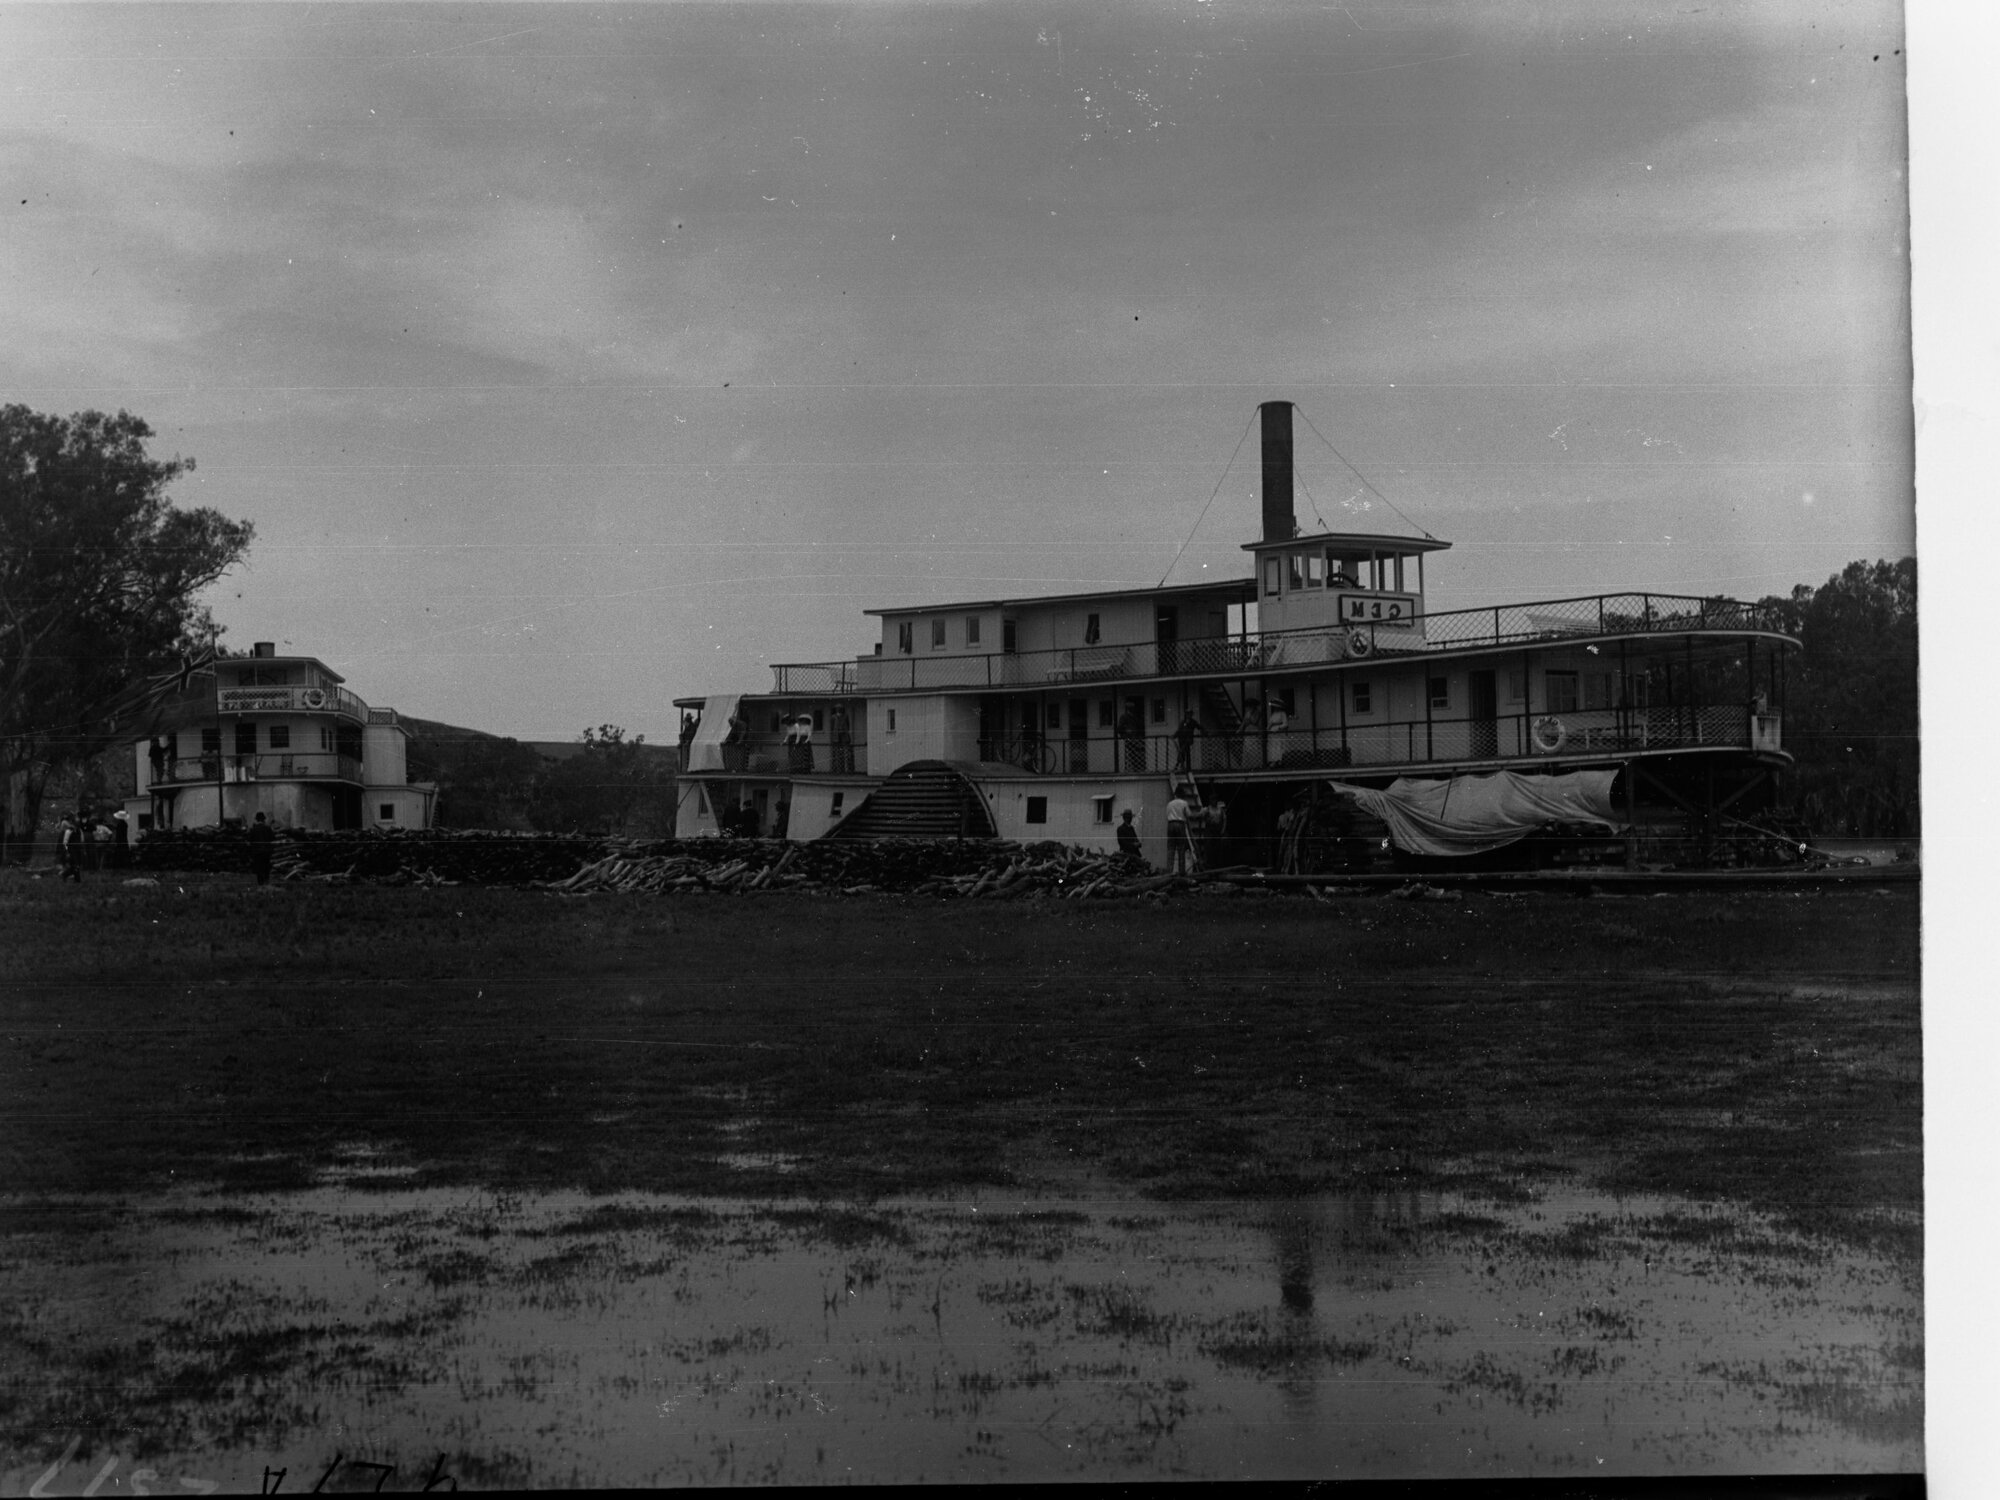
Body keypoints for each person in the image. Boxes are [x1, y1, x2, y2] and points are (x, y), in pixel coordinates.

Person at [1166, 786, 1197, 876]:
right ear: (1182, 794)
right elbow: (1189, 815)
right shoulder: (1184, 803)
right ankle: (1181, 871)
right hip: (1180, 824)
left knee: (1171, 848)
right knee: (1181, 848)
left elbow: (1167, 815)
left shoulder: (1169, 804)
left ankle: (1169, 871)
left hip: (1170, 824)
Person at [1116, 704, 1146, 773]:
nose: (1133, 709)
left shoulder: (1134, 717)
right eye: (1131, 708)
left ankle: (1136, 768)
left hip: (1135, 738)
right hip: (1129, 738)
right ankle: (1133, 768)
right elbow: (1119, 729)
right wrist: (1125, 734)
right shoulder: (1124, 717)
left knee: (1136, 753)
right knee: (1131, 753)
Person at [249, 811, 275, 885]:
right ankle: (266, 881)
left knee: (259, 867)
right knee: (266, 867)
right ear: (263, 819)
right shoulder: (267, 828)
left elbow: (250, 840)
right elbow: (273, 838)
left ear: (256, 819)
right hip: (266, 851)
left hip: (257, 852)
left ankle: (260, 882)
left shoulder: (253, 829)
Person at [57, 814, 84, 882]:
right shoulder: (68, 831)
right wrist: (67, 852)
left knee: (76, 865)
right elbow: (65, 842)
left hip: (78, 849)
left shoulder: (79, 831)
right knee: (75, 865)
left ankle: (65, 875)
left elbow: (82, 840)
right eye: (76, 822)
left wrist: (82, 849)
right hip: (71, 850)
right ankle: (77, 880)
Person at [830, 702, 854, 773]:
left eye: (840, 708)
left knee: (846, 754)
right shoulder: (833, 717)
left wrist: (845, 731)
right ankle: (837, 770)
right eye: (837, 708)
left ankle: (847, 770)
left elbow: (848, 725)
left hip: (844, 737)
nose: (839, 710)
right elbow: (832, 727)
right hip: (836, 737)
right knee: (837, 754)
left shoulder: (845, 716)